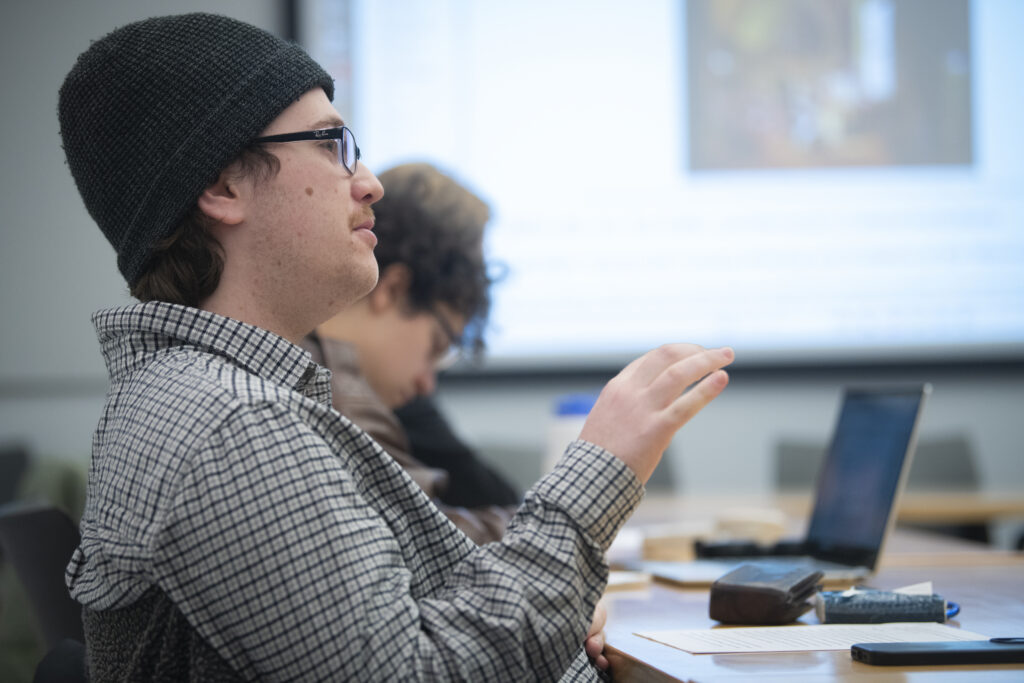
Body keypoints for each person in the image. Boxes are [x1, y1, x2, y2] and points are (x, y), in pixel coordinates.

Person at [58, 12, 734, 681]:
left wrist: (547, 623)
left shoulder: (208, 398)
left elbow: (417, 629)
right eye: (329, 143)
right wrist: (600, 471)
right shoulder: (234, 424)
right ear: (221, 185)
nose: (370, 181)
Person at [304, 162, 517, 544]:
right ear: (395, 288)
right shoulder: (334, 391)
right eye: (435, 346)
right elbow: (430, 541)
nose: (425, 383)